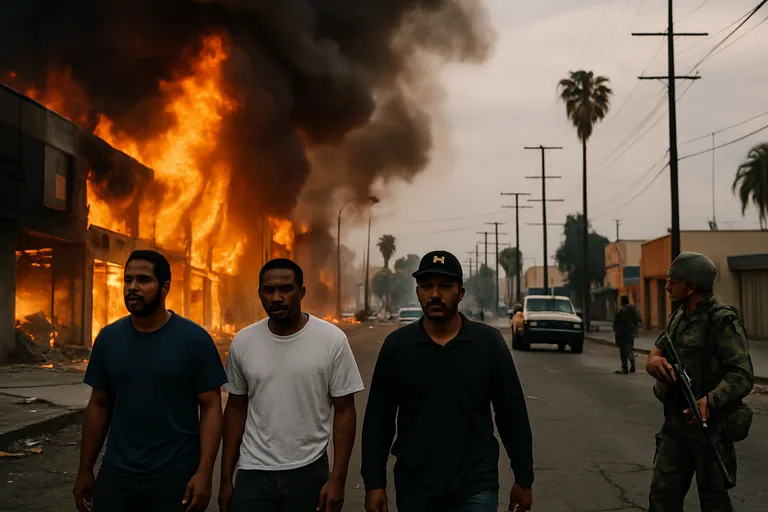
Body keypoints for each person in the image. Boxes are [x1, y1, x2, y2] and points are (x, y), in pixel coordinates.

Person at [361, 250, 534, 512]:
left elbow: (512, 414)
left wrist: (524, 478)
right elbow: (378, 421)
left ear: (460, 293)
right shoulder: (398, 347)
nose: (435, 294)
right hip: (415, 486)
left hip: (475, 483)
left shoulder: (487, 343)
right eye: (427, 286)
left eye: (445, 286)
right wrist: (374, 484)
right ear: (418, 292)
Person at [73, 250, 227, 512]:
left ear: (165, 287)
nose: (132, 287)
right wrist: (85, 470)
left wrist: (204, 473)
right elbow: (98, 405)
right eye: (128, 280)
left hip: (174, 478)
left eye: (143, 280)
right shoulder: (109, 339)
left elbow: (211, 408)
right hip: (116, 476)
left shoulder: (194, 341)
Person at [219, 258, 364, 512]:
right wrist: (225, 479)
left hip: (308, 472)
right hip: (253, 474)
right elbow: (235, 409)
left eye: (285, 289)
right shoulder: (243, 341)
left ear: (302, 292)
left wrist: (338, 480)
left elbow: (344, 411)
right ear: (260, 294)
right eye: (269, 290)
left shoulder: (332, 340)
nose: (276, 297)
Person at [645, 252, 754, 511]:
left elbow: (742, 374)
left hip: (710, 430)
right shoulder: (677, 317)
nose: (667, 286)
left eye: (674, 281)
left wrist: (710, 400)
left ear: (691, 286)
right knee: (661, 499)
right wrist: (653, 362)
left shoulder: (721, 320)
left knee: (714, 502)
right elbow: (657, 351)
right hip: (675, 428)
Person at [612, 295, 642, 374]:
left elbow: (616, 322)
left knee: (623, 351)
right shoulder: (632, 309)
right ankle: (632, 365)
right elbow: (638, 319)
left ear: (622, 301)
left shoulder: (620, 310)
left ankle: (625, 368)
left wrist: (615, 330)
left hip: (622, 333)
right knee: (630, 349)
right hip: (630, 332)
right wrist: (635, 330)